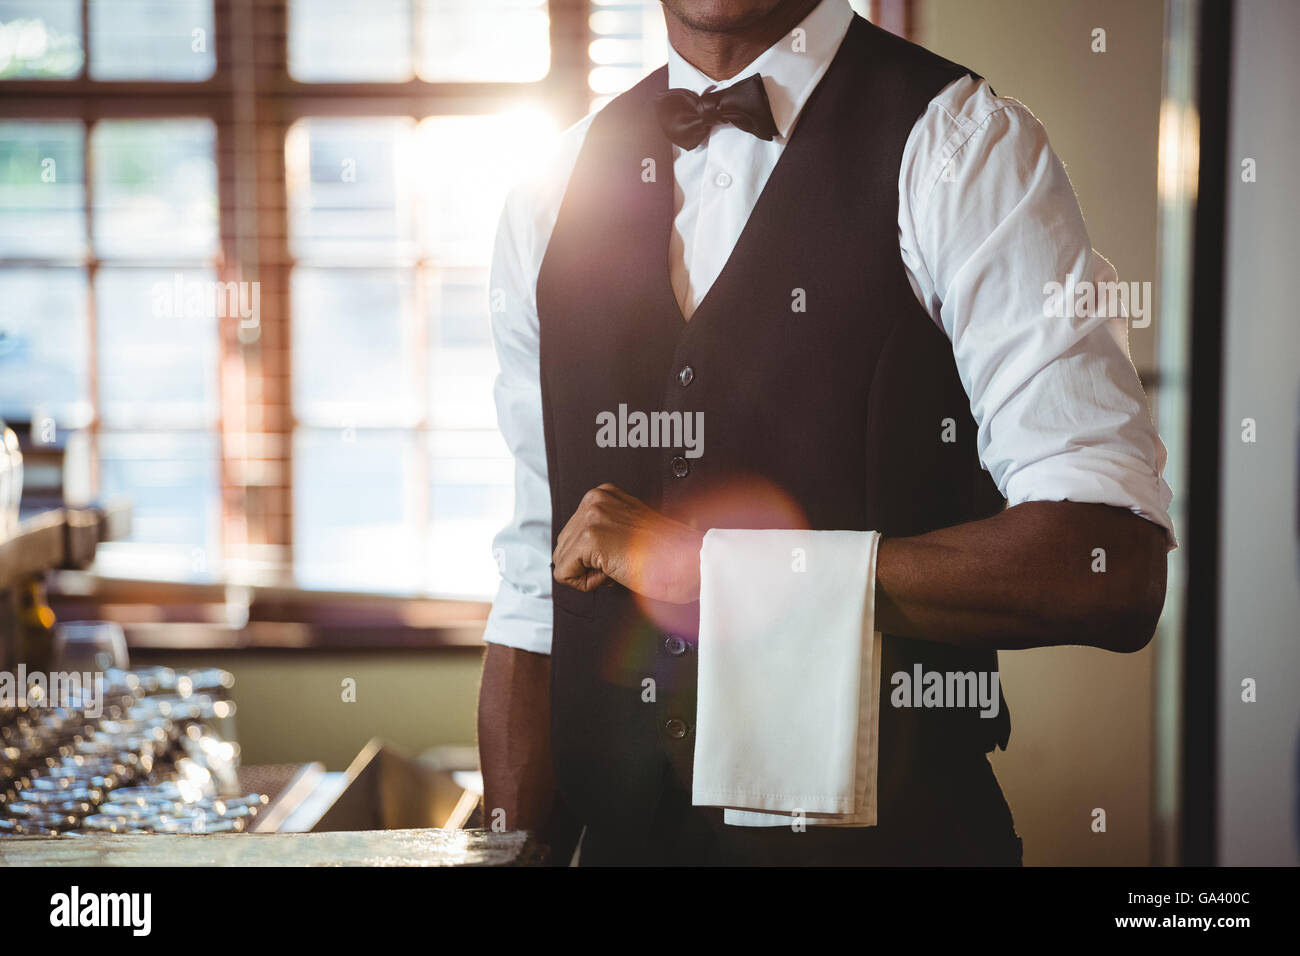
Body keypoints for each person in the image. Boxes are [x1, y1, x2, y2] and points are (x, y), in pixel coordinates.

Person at [479, 0, 1174, 865]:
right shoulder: (545, 195)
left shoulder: (966, 148)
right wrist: (509, 847)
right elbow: (533, 590)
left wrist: (723, 574)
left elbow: (1109, 565)